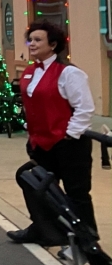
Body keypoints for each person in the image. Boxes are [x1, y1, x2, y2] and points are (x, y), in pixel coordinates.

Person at [7, 21, 98, 247]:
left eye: (38, 40)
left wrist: (70, 134)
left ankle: (86, 239)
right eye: (31, 40)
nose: (32, 44)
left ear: (53, 44)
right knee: (42, 189)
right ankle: (43, 228)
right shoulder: (30, 72)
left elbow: (84, 107)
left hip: (69, 144)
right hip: (41, 143)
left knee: (77, 193)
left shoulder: (69, 73)